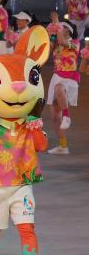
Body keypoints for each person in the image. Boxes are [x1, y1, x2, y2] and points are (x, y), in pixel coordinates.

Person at [46, 21, 81, 155]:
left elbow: (62, 41)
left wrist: (56, 23)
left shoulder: (75, 43)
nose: (59, 29)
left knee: (59, 89)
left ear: (68, 31)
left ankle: (67, 116)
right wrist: (49, 36)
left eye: (63, 27)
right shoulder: (57, 44)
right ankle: (63, 146)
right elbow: (48, 52)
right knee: (55, 116)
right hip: (56, 77)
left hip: (69, 78)